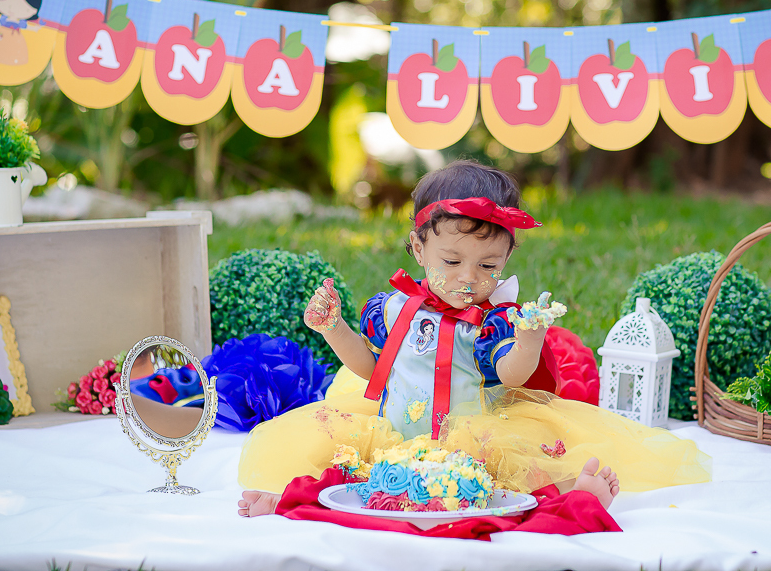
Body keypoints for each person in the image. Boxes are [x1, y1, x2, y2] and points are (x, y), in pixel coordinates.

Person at [237, 160, 709, 517]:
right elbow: (371, 369)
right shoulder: (394, 308)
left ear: (505, 261)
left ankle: (571, 498)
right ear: (419, 249)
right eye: (451, 261)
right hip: (394, 435)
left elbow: (510, 372)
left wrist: (527, 340)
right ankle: (290, 500)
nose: (468, 278)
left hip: (476, 438)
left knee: (507, 487)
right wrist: (333, 328)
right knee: (348, 474)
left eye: (487, 267)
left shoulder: (492, 320)